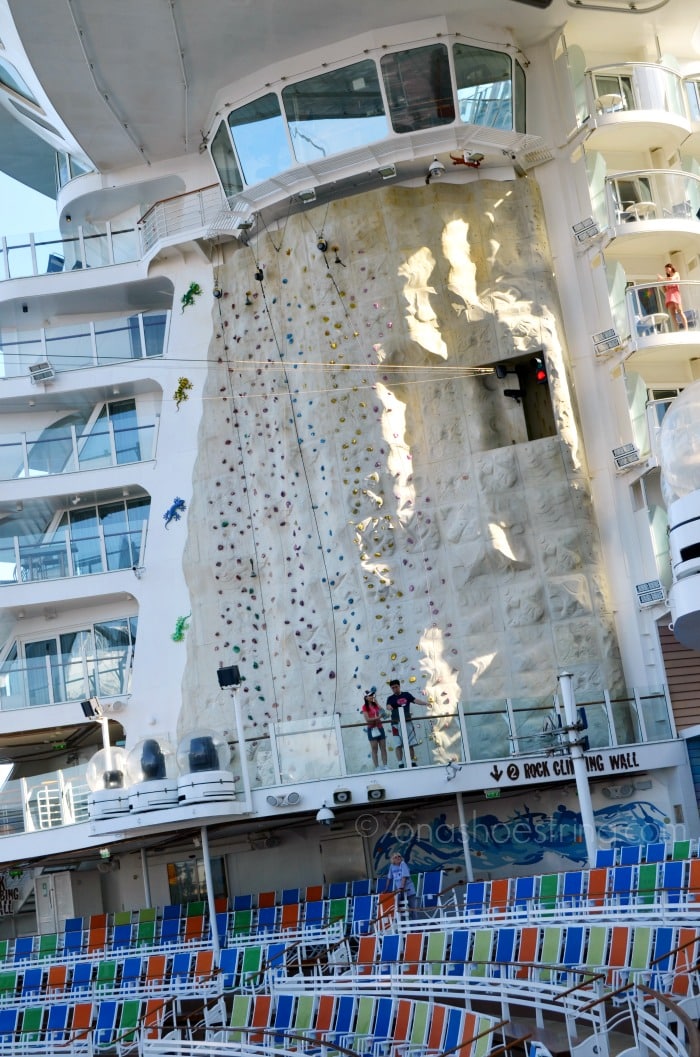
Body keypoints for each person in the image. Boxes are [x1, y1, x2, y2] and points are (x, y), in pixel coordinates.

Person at [386, 678, 429, 767]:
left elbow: (415, 700)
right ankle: (400, 763)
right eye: (392, 688)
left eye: (396, 687)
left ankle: (412, 761)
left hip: (407, 722)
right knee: (398, 744)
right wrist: (389, 707)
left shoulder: (406, 695)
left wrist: (425, 703)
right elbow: (388, 706)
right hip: (395, 724)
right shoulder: (390, 698)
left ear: (399, 686)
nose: (395, 689)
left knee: (410, 743)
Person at [361, 687, 388, 770]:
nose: (372, 696)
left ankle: (385, 765)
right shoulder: (364, 707)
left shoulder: (376, 705)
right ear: (366, 697)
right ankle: (377, 767)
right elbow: (367, 719)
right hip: (371, 728)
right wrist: (378, 718)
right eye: (370, 695)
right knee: (374, 748)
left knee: (383, 747)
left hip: (379, 727)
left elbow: (384, 715)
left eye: (373, 695)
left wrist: (378, 704)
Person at [387, 852, 418, 919]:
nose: (398, 858)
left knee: (413, 908)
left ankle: (416, 926)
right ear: (393, 859)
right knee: (395, 902)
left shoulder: (403, 864)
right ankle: (398, 917)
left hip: (409, 890)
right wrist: (386, 889)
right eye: (396, 857)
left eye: (399, 856)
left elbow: (404, 877)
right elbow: (389, 878)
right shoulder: (392, 866)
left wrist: (401, 887)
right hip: (400, 891)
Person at [658, 263, 688, 330]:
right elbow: (665, 290)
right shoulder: (666, 279)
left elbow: (672, 279)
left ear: (671, 268)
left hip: (675, 293)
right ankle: (676, 330)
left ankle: (686, 329)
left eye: (667, 268)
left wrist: (662, 279)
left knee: (680, 311)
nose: (666, 270)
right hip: (669, 295)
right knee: (673, 315)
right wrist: (662, 284)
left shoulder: (676, 274)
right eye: (665, 269)